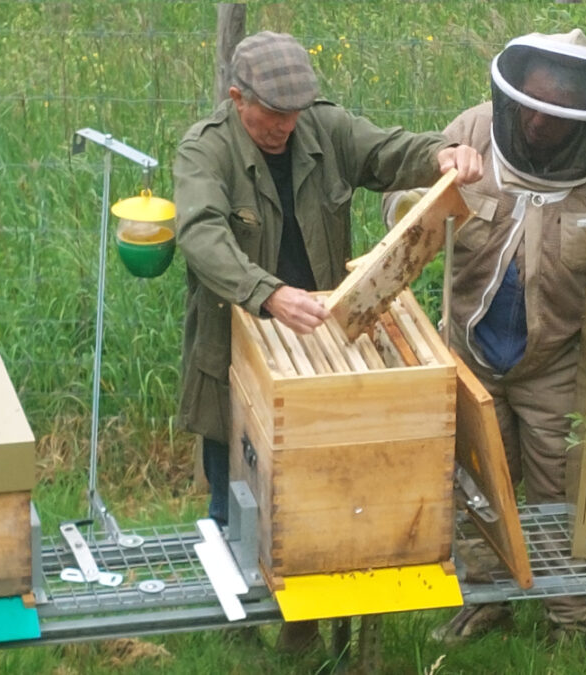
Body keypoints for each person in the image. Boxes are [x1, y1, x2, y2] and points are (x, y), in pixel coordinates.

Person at [174, 30, 482, 652]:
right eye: (272, 116)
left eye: (293, 115)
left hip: (323, 338)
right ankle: (234, 633)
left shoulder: (324, 127)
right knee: (233, 492)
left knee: (321, 495)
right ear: (237, 98)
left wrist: (444, 153)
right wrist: (267, 292)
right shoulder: (203, 153)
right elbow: (202, 234)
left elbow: (388, 151)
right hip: (240, 340)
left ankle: (306, 625)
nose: (285, 128)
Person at [383, 29, 586, 642]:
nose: (538, 123)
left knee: (559, 486)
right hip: (469, 348)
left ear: (585, 118)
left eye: (556, 114)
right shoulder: (471, 129)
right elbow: (402, 209)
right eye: (530, 107)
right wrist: (425, 198)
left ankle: (568, 615)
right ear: (512, 96)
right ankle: (487, 598)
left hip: (556, 361)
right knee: (473, 480)